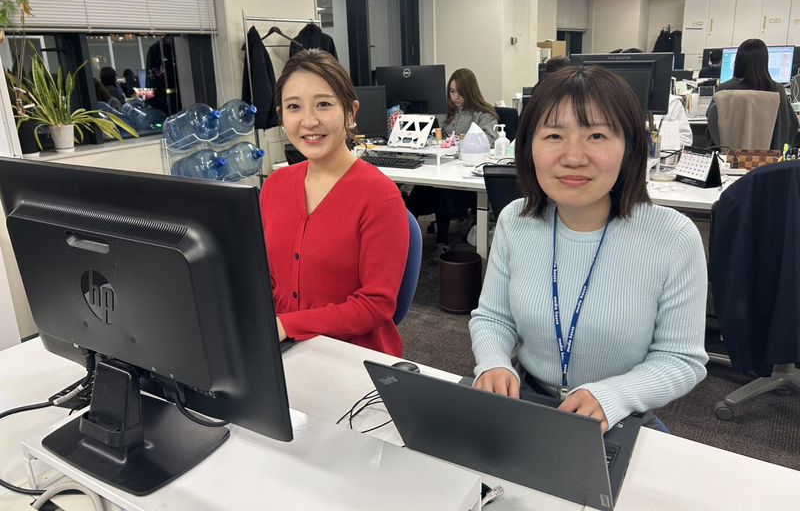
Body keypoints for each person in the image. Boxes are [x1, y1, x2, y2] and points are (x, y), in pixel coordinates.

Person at [469, 65, 708, 432]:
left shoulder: (673, 237)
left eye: (596, 135)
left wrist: (614, 396)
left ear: (630, 147)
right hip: (527, 402)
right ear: (529, 146)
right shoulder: (515, 220)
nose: (574, 157)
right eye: (554, 136)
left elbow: (680, 359)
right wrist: (494, 363)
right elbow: (493, 318)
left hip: (620, 416)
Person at [260, 49, 409, 356]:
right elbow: (264, 277)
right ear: (281, 114)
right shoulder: (274, 186)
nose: (309, 121)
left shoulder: (380, 196)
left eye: (324, 104)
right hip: (281, 349)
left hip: (352, 356)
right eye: (294, 107)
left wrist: (287, 325)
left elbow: (376, 305)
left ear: (351, 112)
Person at [405, 68, 498, 253]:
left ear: (470, 91)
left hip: (464, 174)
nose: (455, 97)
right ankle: (407, 243)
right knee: (416, 194)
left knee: (440, 192)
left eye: (460, 92)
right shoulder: (447, 113)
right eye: (452, 91)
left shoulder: (483, 113)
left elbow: (490, 139)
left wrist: (461, 141)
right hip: (440, 167)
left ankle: (442, 241)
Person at [707, 38, 798, 150]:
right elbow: (791, 125)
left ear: (738, 61)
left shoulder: (724, 89)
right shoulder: (777, 90)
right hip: (769, 158)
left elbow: (711, 121)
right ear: (764, 62)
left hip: (729, 156)